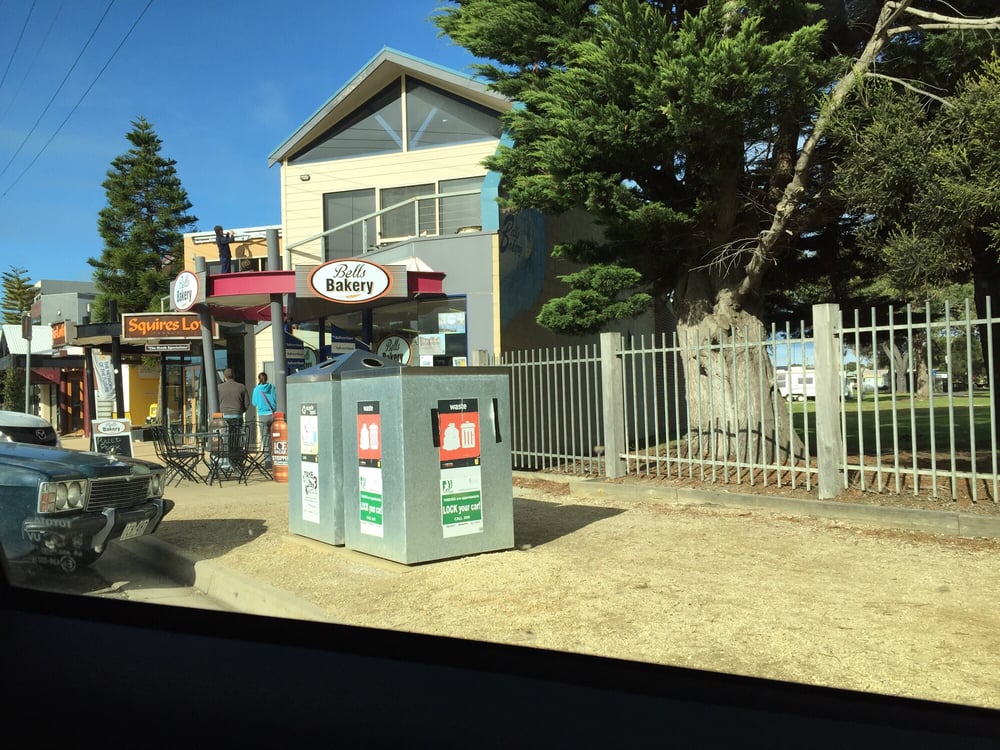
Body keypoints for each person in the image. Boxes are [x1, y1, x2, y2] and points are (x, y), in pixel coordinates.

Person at [251, 372, 277, 468]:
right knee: (275, 437)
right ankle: (277, 457)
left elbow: (254, 403)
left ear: (259, 379)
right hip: (273, 414)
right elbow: (276, 399)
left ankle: (268, 460)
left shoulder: (256, 390)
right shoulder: (273, 387)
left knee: (265, 438)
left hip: (262, 416)